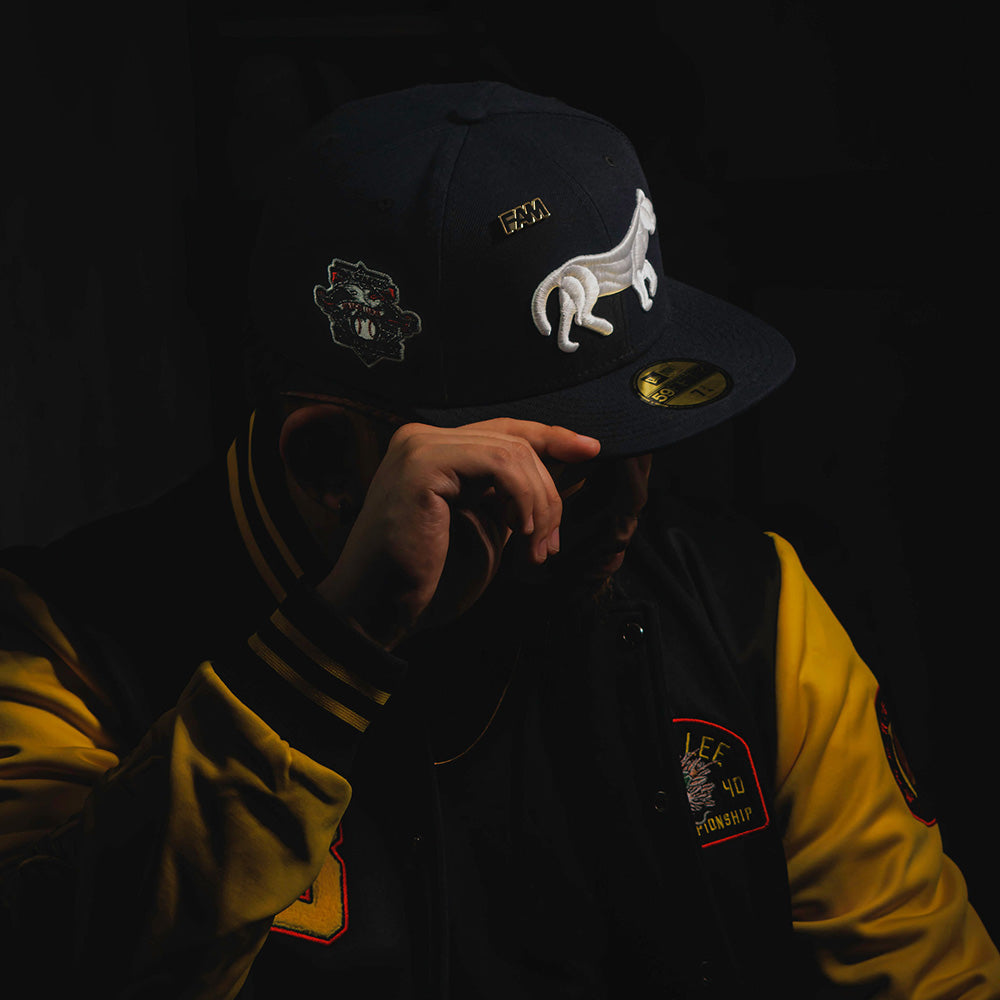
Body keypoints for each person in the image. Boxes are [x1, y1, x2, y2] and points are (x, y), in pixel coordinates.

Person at [0, 81, 996, 999]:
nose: (631, 501)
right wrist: (333, 647)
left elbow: (931, 979)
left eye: (640, 433)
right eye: (556, 462)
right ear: (332, 462)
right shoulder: (61, 646)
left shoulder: (748, 612)